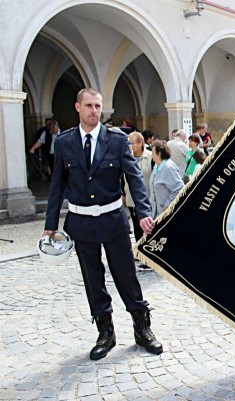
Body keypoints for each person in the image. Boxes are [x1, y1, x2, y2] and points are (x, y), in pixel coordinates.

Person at [43, 88, 162, 360]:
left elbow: (134, 178)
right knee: (92, 279)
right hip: (81, 223)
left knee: (126, 275)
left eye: (98, 106)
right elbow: (57, 184)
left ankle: (142, 329)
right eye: (89, 106)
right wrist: (51, 223)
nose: (94, 111)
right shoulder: (64, 142)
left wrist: (143, 211)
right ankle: (105, 333)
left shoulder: (117, 140)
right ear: (77, 107)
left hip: (113, 219)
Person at [124, 132, 153, 243]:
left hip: (147, 196)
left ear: (140, 143)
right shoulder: (127, 157)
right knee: (136, 223)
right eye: (128, 143)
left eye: (132, 143)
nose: (130, 146)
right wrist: (123, 193)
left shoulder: (150, 156)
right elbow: (123, 177)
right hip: (131, 197)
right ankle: (138, 247)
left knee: (148, 223)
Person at [149, 140, 184, 218]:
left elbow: (179, 188)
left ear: (159, 154)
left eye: (153, 152)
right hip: (157, 213)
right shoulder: (156, 166)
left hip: (167, 214)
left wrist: (167, 205)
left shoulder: (168, 167)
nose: (151, 155)